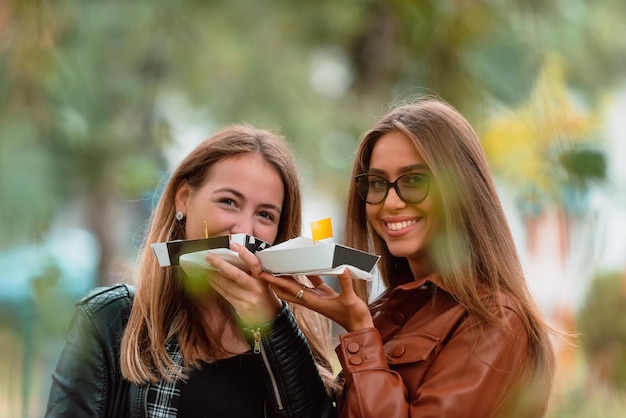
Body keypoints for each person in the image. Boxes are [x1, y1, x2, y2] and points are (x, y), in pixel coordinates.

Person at [262, 97, 557, 417]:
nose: (390, 203)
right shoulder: (385, 312)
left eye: (414, 180)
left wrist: (359, 329)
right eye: (377, 183)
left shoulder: (495, 318)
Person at [45, 125, 337, 417]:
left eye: (265, 215)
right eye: (229, 202)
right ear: (184, 197)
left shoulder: (295, 343)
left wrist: (274, 325)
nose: (245, 230)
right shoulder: (109, 321)